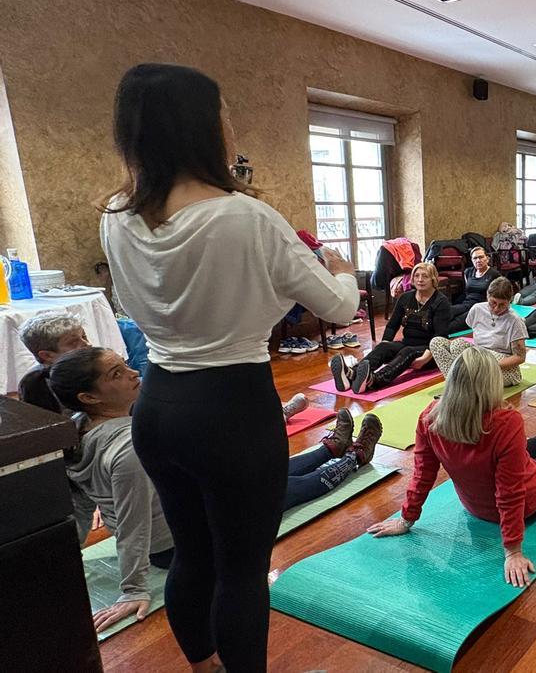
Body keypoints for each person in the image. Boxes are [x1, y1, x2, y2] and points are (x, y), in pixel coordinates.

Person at [99, 63, 361, 673]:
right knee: (243, 571)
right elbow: (340, 306)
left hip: (158, 407)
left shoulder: (116, 214)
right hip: (231, 409)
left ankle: (203, 666)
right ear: (203, 128)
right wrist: (342, 266)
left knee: (193, 554)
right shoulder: (245, 217)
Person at [27, 347, 383, 633]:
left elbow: (76, 504)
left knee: (263, 471)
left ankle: (329, 448)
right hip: (178, 544)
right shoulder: (127, 450)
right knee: (284, 489)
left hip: (186, 503)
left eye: (124, 365)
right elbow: (133, 522)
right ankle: (353, 459)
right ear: (88, 397)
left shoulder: (76, 428)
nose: (134, 373)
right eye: (117, 373)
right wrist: (133, 589)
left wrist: (64, 560)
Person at [366, 347, 536, 588]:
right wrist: (512, 551)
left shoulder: (429, 417)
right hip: (530, 501)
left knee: (529, 446)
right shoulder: (504, 422)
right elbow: (510, 493)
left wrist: (406, 519)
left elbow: (422, 474)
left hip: (475, 506)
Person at [330, 262, 450, 393]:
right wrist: (385, 345)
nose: (420, 280)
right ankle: (352, 374)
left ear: (433, 279)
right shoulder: (406, 297)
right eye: (417, 276)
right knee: (384, 347)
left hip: (431, 352)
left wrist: (424, 359)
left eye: (425, 276)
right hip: (408, 343)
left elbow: (440, 336)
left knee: (408, 351)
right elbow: (392, 325)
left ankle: (374, 380)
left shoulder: (441, 302)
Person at [429, 277, 527, 387]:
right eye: (493, 303)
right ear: (487, 296)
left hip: (503, 367)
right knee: (436, 342)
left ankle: (462, 385)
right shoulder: (477, 309)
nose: (496, 309)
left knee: (458, 345)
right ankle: (456, 385)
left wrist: (489, 365)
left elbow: (520, 357)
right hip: (479, 358)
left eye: (502, 305)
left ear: (509, 302)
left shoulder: (515, 320)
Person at [16, 313, 92, 413]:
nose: (87, 344)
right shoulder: (35, 383)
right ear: (47, 355)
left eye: (84, 336)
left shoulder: (94, 364)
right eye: (73, 343)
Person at [447, 246, 501, 333]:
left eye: (481, 257)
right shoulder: (468, 272)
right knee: (445, 314)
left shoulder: (494, 274)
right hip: (466, 304)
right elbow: (466, 292)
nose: (478, 260)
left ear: (487, 258)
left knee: (450, 326)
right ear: (472, 260)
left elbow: (498, 297)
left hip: (481, 308)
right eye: (475, 258)